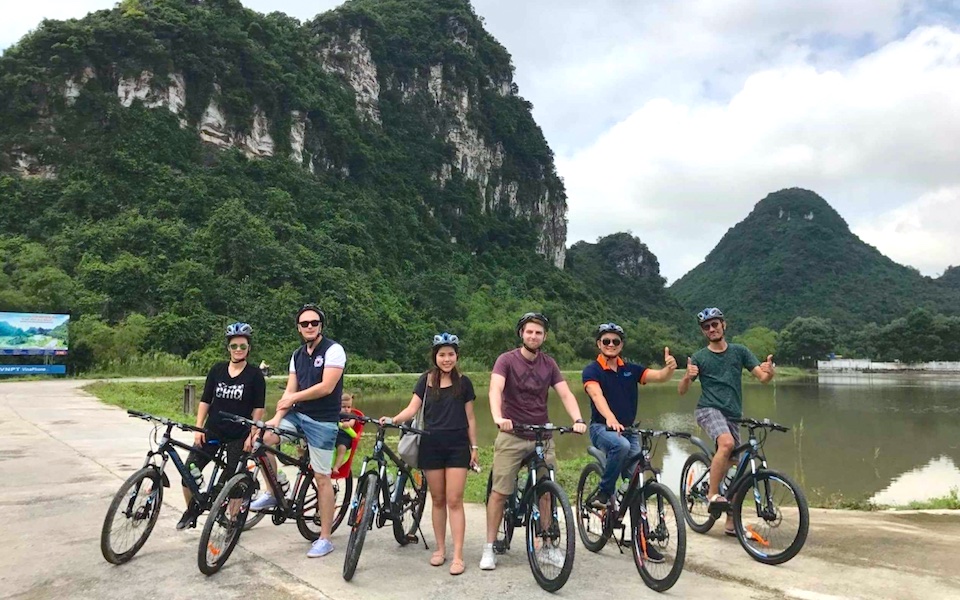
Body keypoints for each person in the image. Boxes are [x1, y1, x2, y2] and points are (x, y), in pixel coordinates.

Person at [480, 312, 587, 571]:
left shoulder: (549, 364)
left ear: (544, 337)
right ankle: (489, 547)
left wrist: (577, 419)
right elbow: (495, 389)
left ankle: (547, 546)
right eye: (529, 331)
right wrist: (498, 417)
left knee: (546, 492)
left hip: (542, 435)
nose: (533, 336)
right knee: (500, 492)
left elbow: (565, 393)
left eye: (538, 333)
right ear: (521, 333)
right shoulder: (506, 360)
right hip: (512, 434)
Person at [250, 304, 346, 558]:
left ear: (321, 325)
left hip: (323, 421)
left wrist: (293, 398)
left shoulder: (334, 350)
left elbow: (326, 387)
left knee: (322, 477)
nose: (310, 326)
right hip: (297, 415)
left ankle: (325, 538)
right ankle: (274, 491)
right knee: (262, 439)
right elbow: (290, 390)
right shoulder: (297, 355)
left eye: (314, 322)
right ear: (299, 328)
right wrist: (276, 417)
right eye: (305, 323)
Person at [385, 333, 479, 576]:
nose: (447, 359)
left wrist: (474, 448)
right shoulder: (425, 381)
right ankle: (440, 549)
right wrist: (393, 419)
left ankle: (458, 555)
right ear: (435, 357)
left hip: (457, 446)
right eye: (442, 355)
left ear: (457, 356)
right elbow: (412, 409)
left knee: (454, 500)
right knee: (437, 499)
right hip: (430, 445)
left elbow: (470, 418)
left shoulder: (464, 383)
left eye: (451, 354)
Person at [678, 307, 775, 535]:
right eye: (706, 327)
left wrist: (769, 371)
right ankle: (712, 495)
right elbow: (682, 391)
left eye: (715, 324)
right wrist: (687, 377)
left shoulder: (739, 352)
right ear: (703, 332)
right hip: (708, 409)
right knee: (727, 443)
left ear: (724, 325)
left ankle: (731, 522)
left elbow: (762, 378)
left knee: (736, 470)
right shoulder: (700, 357)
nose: (711, 329)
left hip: (733, 414)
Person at [177, 322, 265, 530]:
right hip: (213, 431)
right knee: (188, 472)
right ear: (228, 348)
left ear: (249, 348)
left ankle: (233, 521)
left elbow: (258, 408)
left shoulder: (255, 375)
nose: (238, 350)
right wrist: (199, 428)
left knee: (234, 481)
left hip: (238, 434)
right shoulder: (217, 370)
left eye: (242, 346)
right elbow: (205, 401)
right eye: (234, 346)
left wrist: (252, 434)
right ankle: (191, 509)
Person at [582, 322, 677, 509]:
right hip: (602, 428)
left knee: (635, 483)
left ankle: (635, 524)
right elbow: (596, 395)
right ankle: (604, 492)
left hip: (629, 430)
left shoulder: (630, 369)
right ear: (599, 344)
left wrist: (670, 369)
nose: (611, 344)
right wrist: (610, 417)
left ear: (621, 345)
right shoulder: (592, 370)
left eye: (615, 341)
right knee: (621, 446)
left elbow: (660, 377)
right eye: (606, 341)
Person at [333, 392, 358, 471]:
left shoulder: (351, 416)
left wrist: (348, 424)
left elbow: (352, 423)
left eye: (349, 407)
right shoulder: (336, 415)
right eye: (343, 407)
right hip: (334, 435)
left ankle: (336, 467)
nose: (346, 409)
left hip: (344, 437)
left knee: (342, 449)